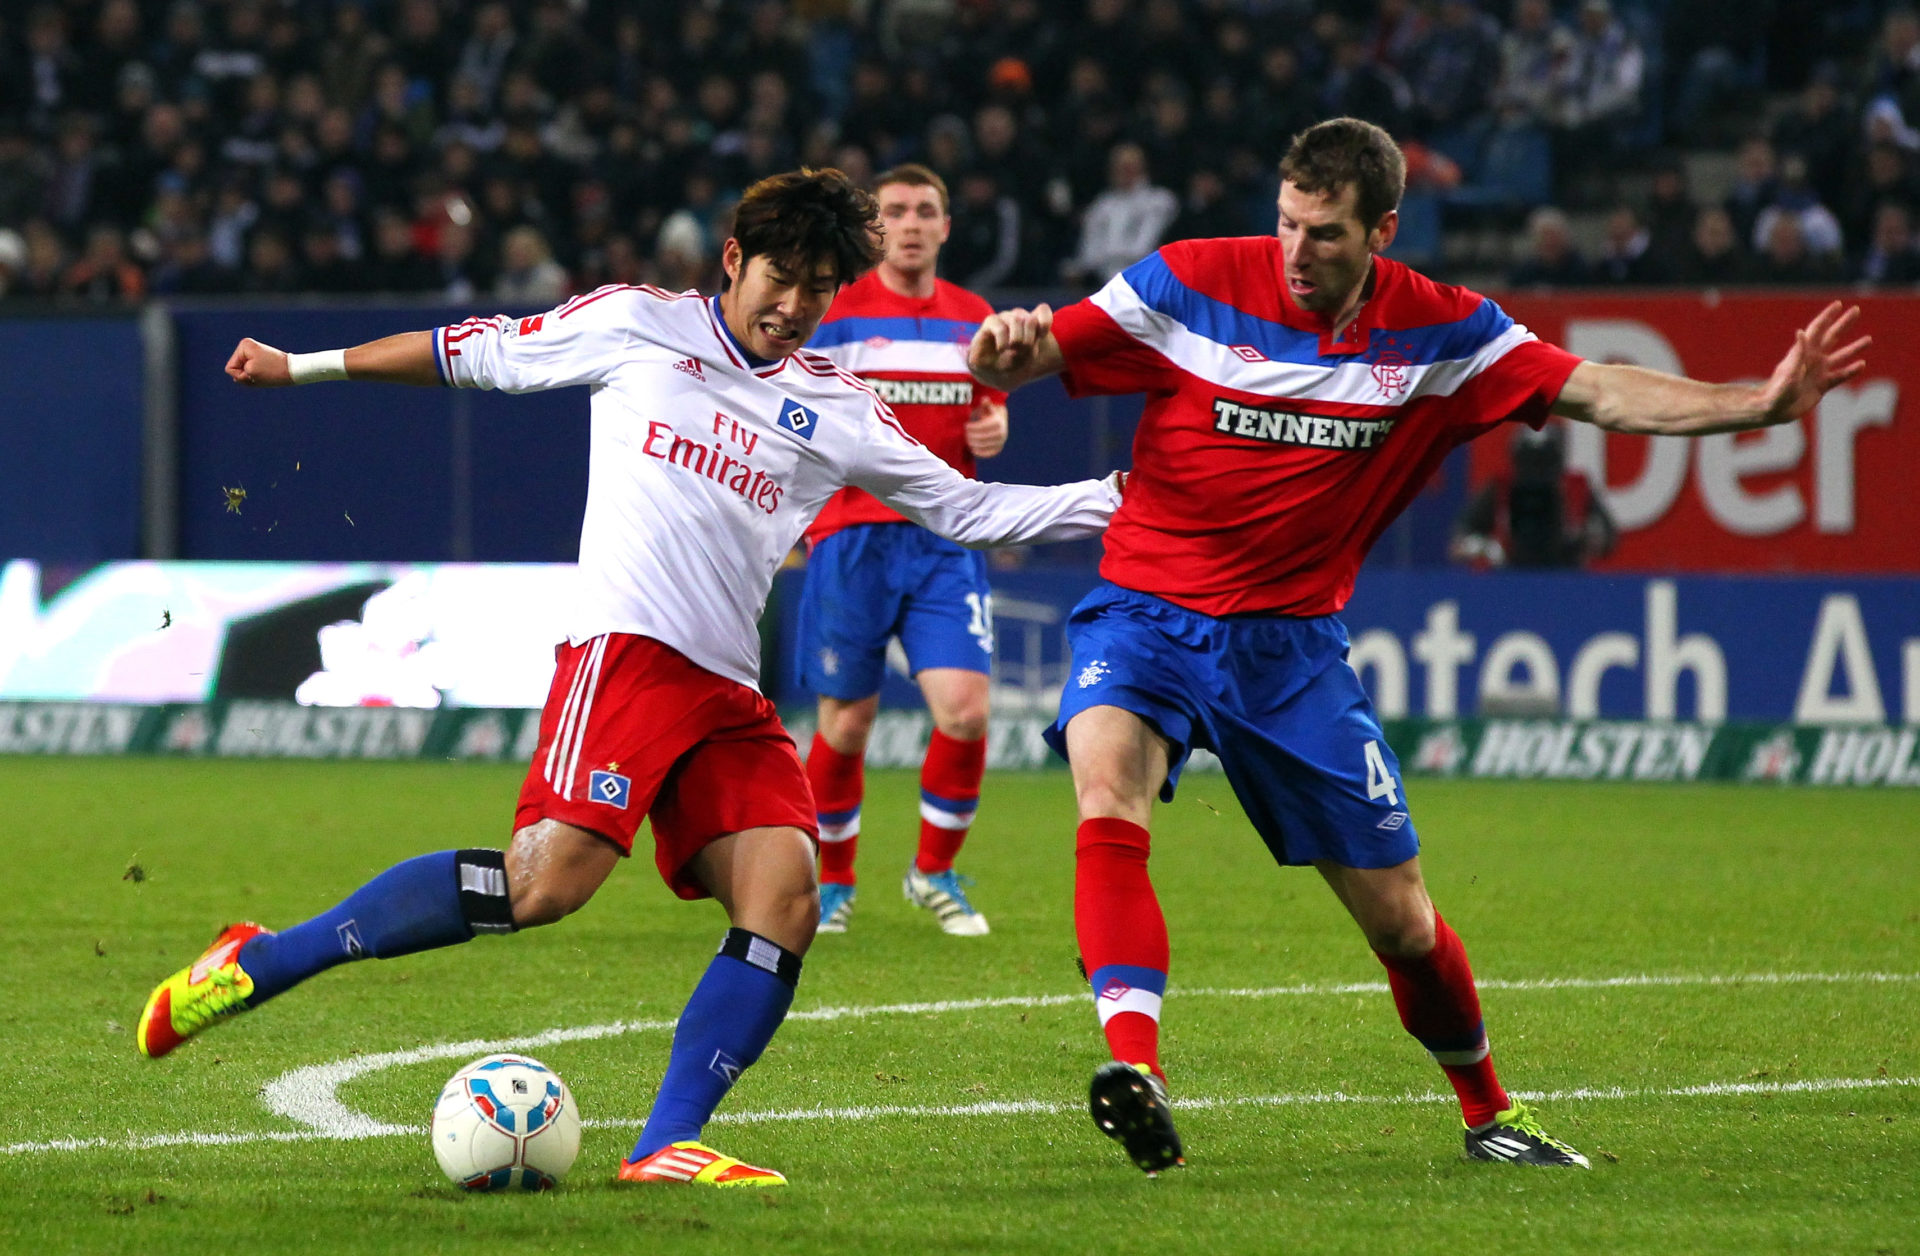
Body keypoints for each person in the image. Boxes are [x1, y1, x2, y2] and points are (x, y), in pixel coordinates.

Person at [136, 169, 1122, 1189]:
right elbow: (466, 353)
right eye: (783, 277)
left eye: (822, 288)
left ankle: (665, 1140)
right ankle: (261, 960)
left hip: (726, 694)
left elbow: (968, 509)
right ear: (734, 259)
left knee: (785, 896)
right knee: (544, 886)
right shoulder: (637, 324)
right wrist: (303, 367)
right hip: (626, 657)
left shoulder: (836, 407)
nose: (796, 306)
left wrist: (1119, 499)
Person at [968, 117, 1868, 1176]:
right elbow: (1037, 353)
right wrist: (1002, 352)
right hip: (1147, 605)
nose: (1298, 252)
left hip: (1290, 650)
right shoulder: (1185, 282)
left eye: (1328, 235)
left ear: (1383, 231)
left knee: (1401, 919)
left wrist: (1757, 404)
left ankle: (1489, 1110)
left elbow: (1596, 388)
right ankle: (1136, 1068)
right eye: (1288, 223)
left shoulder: (1446, 335)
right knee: (1107, 785)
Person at [796, 164, 1011, 937]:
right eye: (897, 211)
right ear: (875, 229)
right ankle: (833, 882)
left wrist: (995, 429)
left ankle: (934, 872)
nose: (913, 223)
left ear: (946, 227)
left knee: (965, 710)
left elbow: (990, 413)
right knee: (846, 725)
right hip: (851, 536)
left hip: (945, 542)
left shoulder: (974, 318)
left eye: (927, 210)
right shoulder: (839, 315)